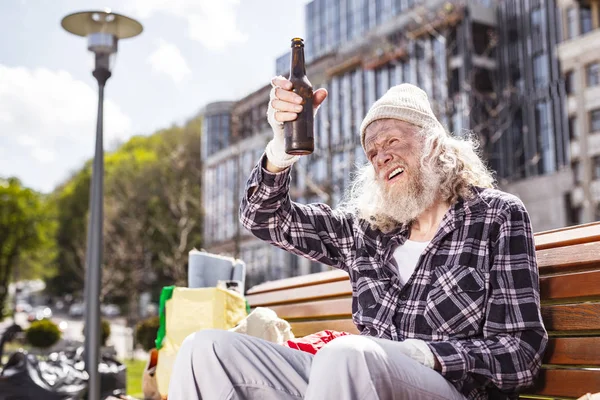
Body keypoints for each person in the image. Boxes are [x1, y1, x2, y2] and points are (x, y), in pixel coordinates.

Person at [168, 77, 548, 400]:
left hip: (450, 387)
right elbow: (264, 218)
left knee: (346, 353)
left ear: (434, 144)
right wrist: (281, 150)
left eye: (393, 142)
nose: (381, 157)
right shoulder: (367, 231)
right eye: (373, 152)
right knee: (205, 349)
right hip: (354, 378)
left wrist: (427, 355)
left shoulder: (495, 215)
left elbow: (520, 353)